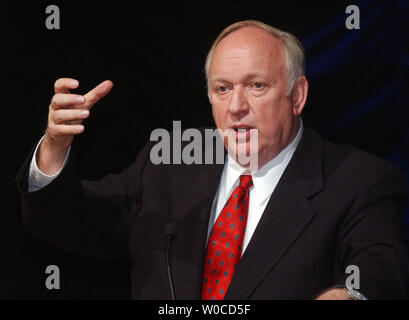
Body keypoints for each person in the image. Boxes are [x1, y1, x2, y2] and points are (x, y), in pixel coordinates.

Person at [16, 20, 409, 300]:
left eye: (256, 86)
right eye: (222, 89)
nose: (236, 106)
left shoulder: (357, 180)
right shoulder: (167, 166)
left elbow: (382, 267)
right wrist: (54, 147)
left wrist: (351, 295)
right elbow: (69, 220)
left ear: (297, 95)